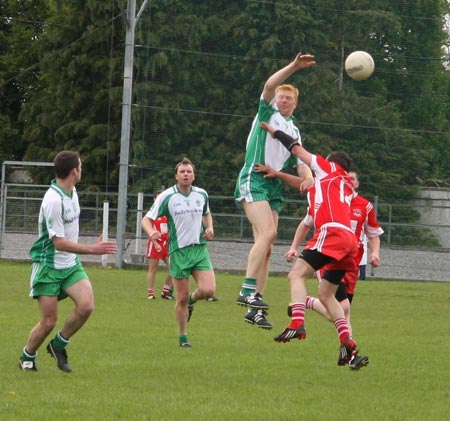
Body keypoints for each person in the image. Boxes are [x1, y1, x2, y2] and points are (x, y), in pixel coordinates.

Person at [260, 122, 364, 367]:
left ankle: (297, 322)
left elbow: (297, 150)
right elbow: (304, 184)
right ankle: (347, 341)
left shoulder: (327, 168)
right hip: (349, 241)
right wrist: (279, 174)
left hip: (332, 233)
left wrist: (274, 132)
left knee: (295, 275)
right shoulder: (345, 184)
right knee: (327, 295)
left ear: (330, 161)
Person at [233, 53, 316, 329]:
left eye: (289, 98)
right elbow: (269, 86)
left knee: (267, 247)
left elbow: (301, 161)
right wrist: (293, 67)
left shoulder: (293, 129)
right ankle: (246, 290)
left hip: (273, 185)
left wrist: (308, 178)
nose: (283, 100)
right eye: (281, 97)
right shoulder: (267, 112)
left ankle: (255, 307)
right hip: (254, 176)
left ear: (296, 104)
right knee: (268, 233)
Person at [19, 151, 118, 373]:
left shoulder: (72, 192)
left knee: (86, 306)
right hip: (48, 266)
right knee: (48, 321)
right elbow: (59, 243)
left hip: (70, 264)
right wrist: (92, 249)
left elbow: (69, 235)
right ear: (75, 170)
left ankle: (58, 345)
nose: (82, 169)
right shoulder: (53, 200)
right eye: (80, 166)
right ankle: (27, 356)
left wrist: (87, 245)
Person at [141, 157, 216, 348]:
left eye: (189, 171)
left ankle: (192, 299)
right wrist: (152, 233)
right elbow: (146, 220)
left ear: (194, 175)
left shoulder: (201, 194)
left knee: (208, 290)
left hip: (199, 250)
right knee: (180, 298)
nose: (185, 174)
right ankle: (183, 337)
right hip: (178, 252)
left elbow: (207, 213)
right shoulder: (167, 197)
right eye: (182, 172)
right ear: (176, 176)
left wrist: (210, 228)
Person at [146, 189, 174, 300]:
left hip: (166, 244)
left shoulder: (167, 213)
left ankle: (166, 291)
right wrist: (155, 242)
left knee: (172, 266)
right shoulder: (152, 213)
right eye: (158, 198)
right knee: (153, 269)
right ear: (154, 199)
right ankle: (150, 293)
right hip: (155, 245)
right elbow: (148, 228)